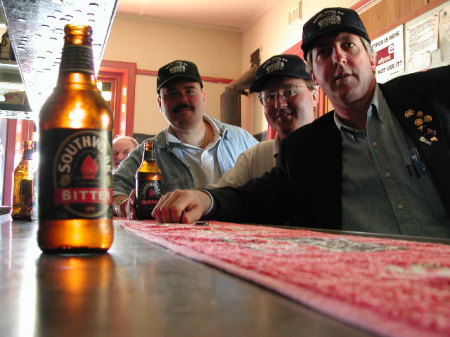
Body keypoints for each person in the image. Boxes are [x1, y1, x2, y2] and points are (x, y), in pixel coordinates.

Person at [152, 8, 450, 239]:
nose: (338, 58)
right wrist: (204, 198)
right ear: (315, 75)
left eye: (349, 46)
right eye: (322, 53)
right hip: (361, 289)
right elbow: (255, 198)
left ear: (372, 57)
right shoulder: (304, 148)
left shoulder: (435, 93)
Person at [113, 60, 258, 218]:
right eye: (172, 93)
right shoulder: (146, 153)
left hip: (239, 239)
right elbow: (109, 188)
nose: (183, 99)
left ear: (203, 96)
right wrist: (122, 204)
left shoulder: (242, 139)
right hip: (173, 242)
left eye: (189, 91)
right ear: (160, 103)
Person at [210, 54, 317, 188]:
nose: (279, 104)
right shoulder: (256, 157)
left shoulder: (339, 147)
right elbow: (222, 195)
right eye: (270, 96)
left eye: (290, 92)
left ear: (314, 97)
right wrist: (202, 198)